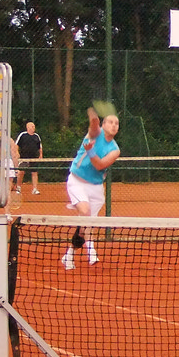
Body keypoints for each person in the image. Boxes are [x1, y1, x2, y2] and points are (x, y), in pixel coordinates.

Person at [62, 106, 120, 270]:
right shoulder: (95, 133)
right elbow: (93, 125)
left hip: (96, 188)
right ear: (103, 124)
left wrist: (91, 152)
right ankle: (91, 250)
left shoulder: (115, 150)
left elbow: (99, 165)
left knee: (86, 225)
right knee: (85, 212)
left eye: (116, 123)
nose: (113, 125)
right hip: (77, 181)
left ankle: (69, 255)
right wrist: (93, 115)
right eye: (110, 122)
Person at [14, 121, 43, 195]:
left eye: (34, 126)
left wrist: (40, 155)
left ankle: (35, 189)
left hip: (34, 157)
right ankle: (18, 188)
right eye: (32, 126)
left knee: (34, 172)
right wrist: (17, 153)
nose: (34, 128)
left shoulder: (36, 136)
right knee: (21, 172)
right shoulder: (23, 135)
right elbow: (16, 145)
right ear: (28, 127)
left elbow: (40, 147)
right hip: (24, 157)